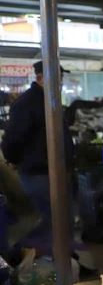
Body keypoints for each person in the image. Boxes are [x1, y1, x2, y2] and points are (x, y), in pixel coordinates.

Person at [1, 60, 73, 253]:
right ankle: (38, 261)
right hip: (38, 174)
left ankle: (62, 261)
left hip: (52, 173)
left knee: (58, 223)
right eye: (58, 77)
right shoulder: (27, 103)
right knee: (49, 223)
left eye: (62, 77)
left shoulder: (50, 100)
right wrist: (16, 160)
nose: (61, 81)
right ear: (41, 77)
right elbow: (12, 140)